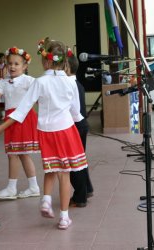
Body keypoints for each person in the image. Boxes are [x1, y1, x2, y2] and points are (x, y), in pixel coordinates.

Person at [0, 38, 88, 230]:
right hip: (66, 130)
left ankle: (45, 199)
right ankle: (64, 217)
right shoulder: (71, 83)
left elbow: (22, 110)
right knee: (65, 174)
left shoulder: (40, 82)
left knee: (51, 169)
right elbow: (76, 113)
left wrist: (1, 127)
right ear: (64, 61)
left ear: (45, 61)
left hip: (46, 131)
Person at [0, 47, 40, 200]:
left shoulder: (29, 81)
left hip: (24, 118)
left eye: (16, 64)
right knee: (21, 154)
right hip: (10, 118)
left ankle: (12, 189)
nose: (12, 66)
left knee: (14, 154)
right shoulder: (3, 82)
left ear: (25, 66)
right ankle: (33, 187)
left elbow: (39, 98)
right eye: (9, 63)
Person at [66, 53, 93, 207]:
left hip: (76, 125)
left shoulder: (70, 85)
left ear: (67, 68)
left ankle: (80, 197)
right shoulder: (77, 83)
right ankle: (87, 189)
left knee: (74, 163)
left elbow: (73, 109)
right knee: (80, 160)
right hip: (80, 124)